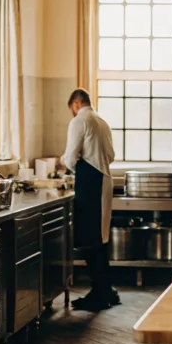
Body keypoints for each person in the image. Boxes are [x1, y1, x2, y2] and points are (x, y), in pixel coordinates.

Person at [60, 89, 120, 311]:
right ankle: (106, 289)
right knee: (100, 239)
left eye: (71, 108)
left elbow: (71, 156)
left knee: (90, 240)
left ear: (75, 103)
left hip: (90, 184)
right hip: (103, 180)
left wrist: (65, 164)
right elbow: (111, 155)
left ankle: (100, 293)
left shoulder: (79, 120)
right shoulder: (102, 122)